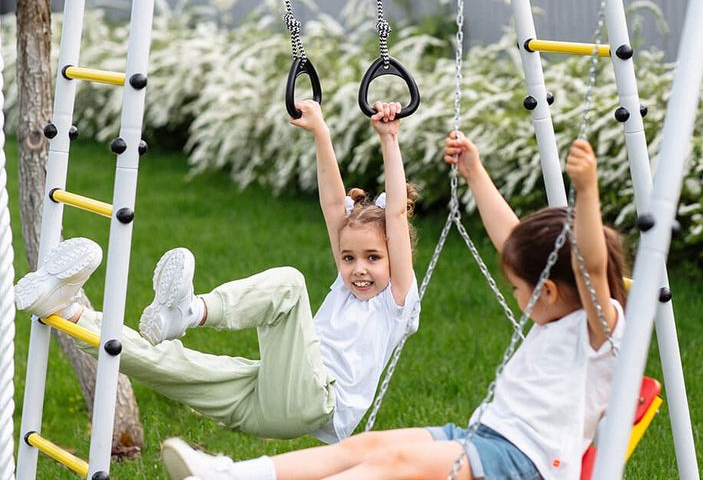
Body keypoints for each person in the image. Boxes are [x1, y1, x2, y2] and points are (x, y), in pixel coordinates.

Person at [158, 135, 628, 480]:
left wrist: (587, 192)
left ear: (549, 290)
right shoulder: (558, 312)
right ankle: (235, 477)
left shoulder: (598, 331)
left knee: (391, 463)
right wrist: (475, 172)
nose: (516, 295)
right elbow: (513, 242)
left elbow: (589, 266)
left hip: (521, 466)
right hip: (485, 441)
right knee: (365, 446)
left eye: (518, 288)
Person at [14, 101, 419, 442]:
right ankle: (66, 310)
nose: (358, 269)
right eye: (348, 259)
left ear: (395, 258)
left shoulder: (395, 301)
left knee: (290, 285)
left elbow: (397, 215)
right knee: (168, 362)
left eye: (373, 258)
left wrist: (389, 139)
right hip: (268, 399)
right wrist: (320, 133)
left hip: (317, 403)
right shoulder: (347, 287)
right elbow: (333, 206)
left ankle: (190, 311)